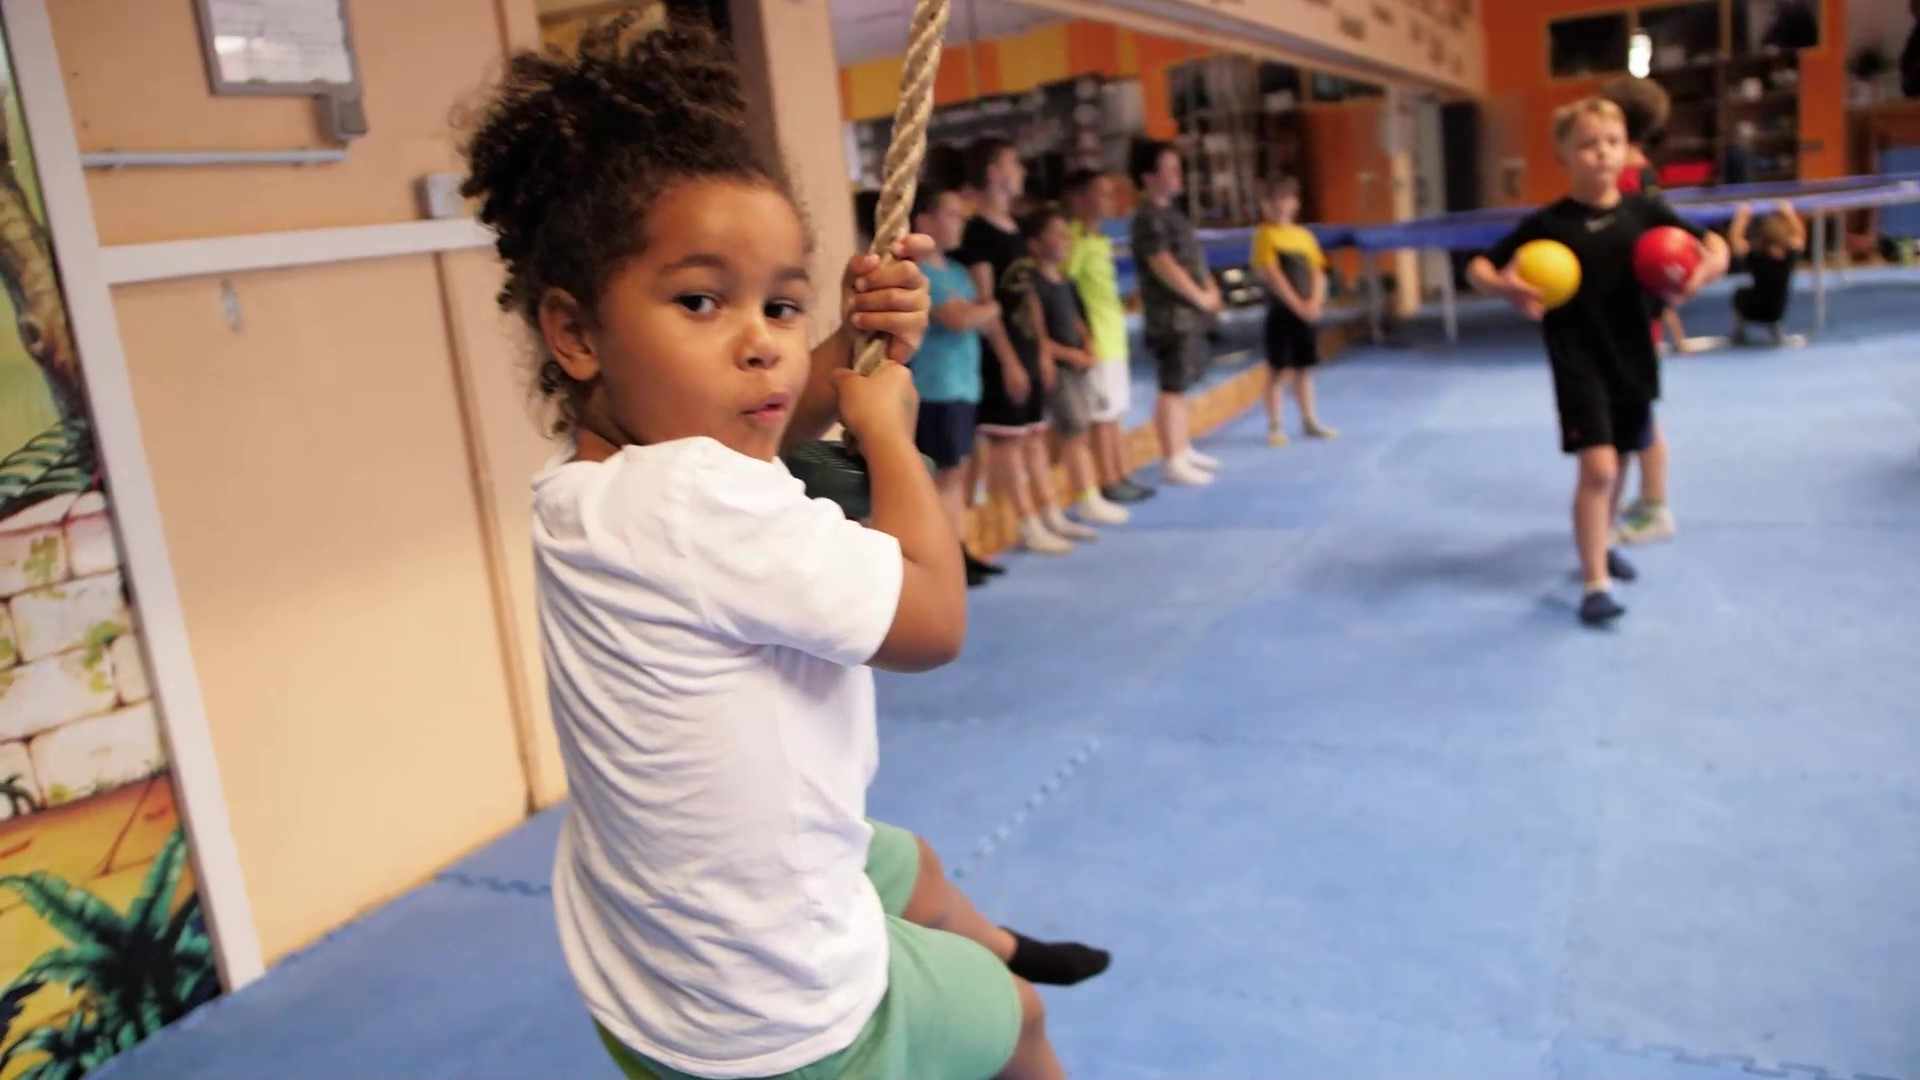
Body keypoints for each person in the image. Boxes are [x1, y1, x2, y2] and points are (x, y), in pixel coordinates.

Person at [462, 18, 1108, 1079]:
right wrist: (886, 433)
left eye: (781, 303)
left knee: (911, 865)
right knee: (1022, 1021)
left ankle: (989, 942)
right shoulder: (696, 499)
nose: (764, 342)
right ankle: (1001, 979)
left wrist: (850, 348)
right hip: (780, 1017)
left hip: (645, 970)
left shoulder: (592, 486)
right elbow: (933, 624)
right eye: (701, 301)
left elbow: (759, 411)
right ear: (575, 333)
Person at [1469, 97, 1728, 627]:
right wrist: (1504, 287)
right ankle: (1595, 585)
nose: (1602, 153)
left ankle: (1602, 545)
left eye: (1612, 142)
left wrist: (1705, 271)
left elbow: (1714, 246)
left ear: (1626, 149)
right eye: (1588, 144)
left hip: (1634, 357)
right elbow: (1478, 267)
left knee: (1624, 459)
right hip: (1577, 360)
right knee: (1599, 468)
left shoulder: (1646, 213)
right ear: (1563, 154)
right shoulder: (1548, 223)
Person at [962, 141, 1093, 553]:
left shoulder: (1014, 227)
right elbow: (986, 302)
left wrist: (1040, 350)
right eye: (1013, 163)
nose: (1021, 171)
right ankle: (1026, 522)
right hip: (1001, 354)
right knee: (1009, 442)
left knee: (1036, 437)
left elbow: (1028, 295)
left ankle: (1050, 512)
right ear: (993, 173)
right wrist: (1008, 360)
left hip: (1028, 347)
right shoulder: (977, 234)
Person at [1600, 75, 1684, 549]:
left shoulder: (1628, 181)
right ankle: (1650, 499)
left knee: (1637, 419)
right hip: (1633, 312)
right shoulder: (1641, 173)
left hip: (1629, 317)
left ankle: (1656, 508)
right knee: (1639, 415)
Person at [1008, 205, 1129, 529]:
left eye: (1066, 233)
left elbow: (1077, 320)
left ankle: (1080, 493)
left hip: (1078, 366)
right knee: (1073, 434)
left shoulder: (1065, 280)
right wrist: (1070, 355)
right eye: (1056, 234)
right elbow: (1039, 336)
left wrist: (1087, 344)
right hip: (1061, 368)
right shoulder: (1033, 285)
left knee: (1080, 431)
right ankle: (1086, 496)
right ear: (1035, 245)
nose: (1065, 239)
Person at [912, 185, 1004, 587]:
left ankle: (959, 550)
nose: (960, 223)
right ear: (924, 221)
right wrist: (990, 306)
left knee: (958, 475)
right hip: (936, 388)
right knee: (943, 478)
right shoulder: (918, 274)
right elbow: (958, 319)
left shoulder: (956, 271)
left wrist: (979, 310)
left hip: (964, 385)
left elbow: (974, 316)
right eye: (951, 215)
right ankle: (944, 559)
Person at [1130, 139, 1225, 487]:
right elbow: (1163, 264)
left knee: (1182, 384)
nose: (1177, 174)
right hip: (1170, 315)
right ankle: (1172, 458)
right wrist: (1199, 296)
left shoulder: (1173, 214)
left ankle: (1183, 448)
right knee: (1171, 386)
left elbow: (1193, 259)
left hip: (1190, 312)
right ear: (1148, 178)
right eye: (1169, 169)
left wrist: (1211, 289)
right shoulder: (1147, 219)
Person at [1062, 169, 1155, 505]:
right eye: (1100, 193)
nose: (1109, 200)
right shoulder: (1073, 240)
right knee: (1102, 415)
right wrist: (1083, 335)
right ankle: (1108, 479)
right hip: (1097, 340)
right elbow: (1065, 289)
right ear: (1080, 199)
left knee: (1115, 411)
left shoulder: (1099, 240)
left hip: (1114, 338)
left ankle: (1121, 471)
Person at [1248, 176, 1337, 446]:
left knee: (1304, 369)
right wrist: (1298, 305)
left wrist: (1315, 302)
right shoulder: (1265, 235)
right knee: (1278, 370)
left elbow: (1318, 272)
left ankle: (1309, 420)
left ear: (1295, 203)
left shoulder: (1305, 236)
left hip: (1306, 311)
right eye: (1273, 200)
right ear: (1264, 205)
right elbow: (1272, 274)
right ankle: (1275, 425)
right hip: (1282, 312)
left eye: (1285, 199)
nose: (1279, 206)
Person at [1728, 200, 1807, 347]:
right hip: (1777, 312)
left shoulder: (1755, 256)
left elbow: (1735, 239)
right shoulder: (1789, 257)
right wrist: (1789, 213)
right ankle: (1775, 327)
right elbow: (1800, 236)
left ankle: (1739, 331)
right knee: (1774, 296)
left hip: (1752, 310)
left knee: (1740, 292)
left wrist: (1742, 217)